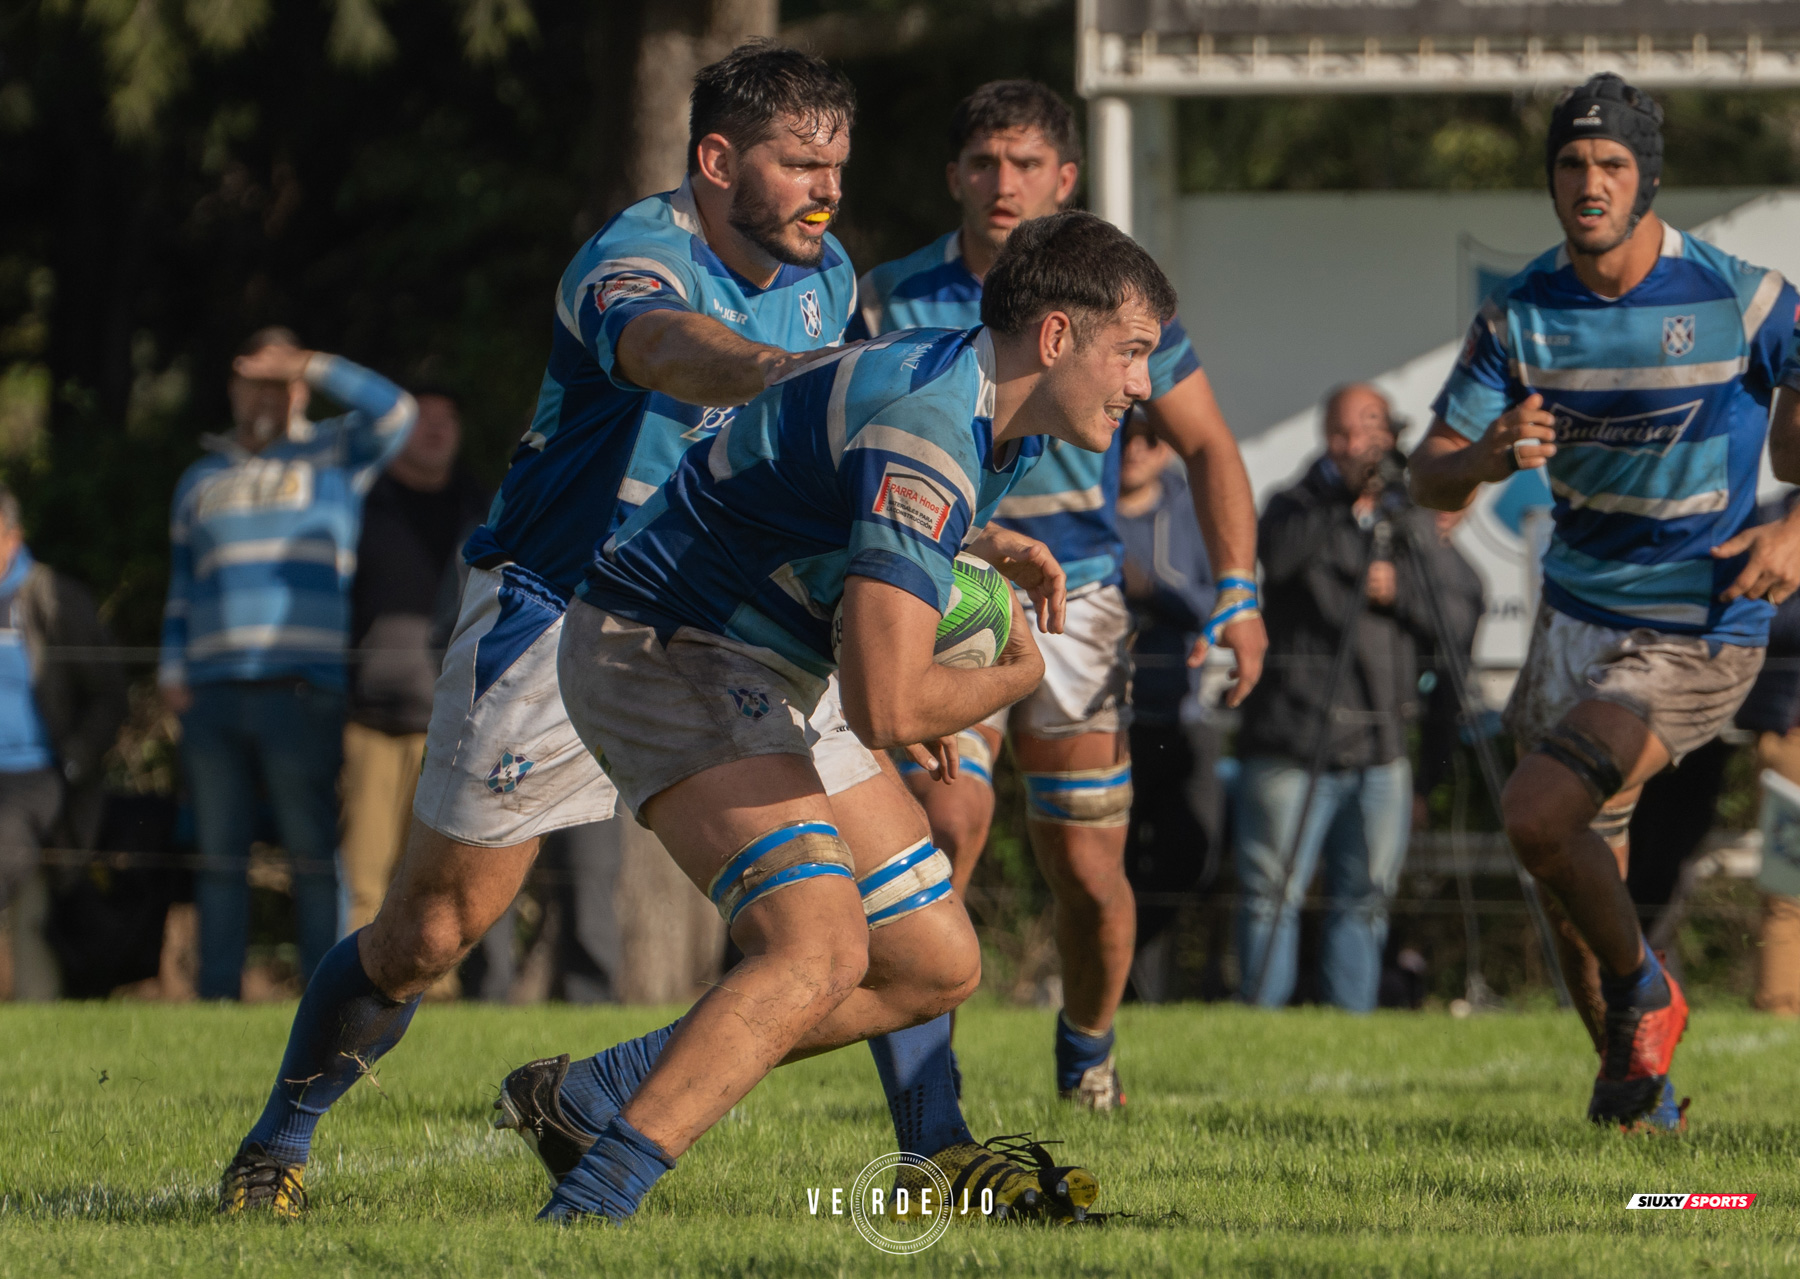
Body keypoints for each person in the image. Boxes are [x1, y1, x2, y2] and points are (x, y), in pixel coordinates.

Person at [218, 43, 1067, 1221]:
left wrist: (940, 567)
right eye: (798, 164)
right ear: (717, 160)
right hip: (563, 611)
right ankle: (276, 1141)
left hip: (744, 628)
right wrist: (788, 371)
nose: (826, 190)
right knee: (428, 931)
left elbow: (828, 464)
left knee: (910, 941)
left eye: (839, 164)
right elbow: (664, 348)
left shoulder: (827, 274)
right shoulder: (633, 257)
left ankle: (926, 1143)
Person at [525, 209, 1171, 1224]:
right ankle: (590, 1210)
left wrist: (981, 546)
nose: (1144, 383)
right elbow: (889, 703)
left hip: (758, 660)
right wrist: (1015, 673)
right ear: (1057, 338)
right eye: (1132, 353)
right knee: (817, 947)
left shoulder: (967, 389)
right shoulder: (938, 430)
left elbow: (842, 474)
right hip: (663, 648)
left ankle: (595, 1094)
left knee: (934, 962)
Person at [849, 79, 1266, 1110]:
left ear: (1066, 177)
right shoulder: (891, 295)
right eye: (985, 162)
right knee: (943, 826)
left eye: (1027, 163)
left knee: (1085, 874)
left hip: (1078, 602)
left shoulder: (1119, 301)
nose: (1004, 183)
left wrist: (1240, 592)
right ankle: (928, 1100)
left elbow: (1209, 443)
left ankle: (1087, 1051)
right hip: (941, 580)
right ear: (953, 175)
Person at [1408, 73, 1800, 1130]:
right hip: (1573, 620)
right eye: (1573, 164)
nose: (1591, 182)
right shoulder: (1523, 312)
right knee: (1570, 879)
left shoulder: (1736, 296)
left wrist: (1797, 526)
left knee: (1537, 810)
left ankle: (1648, 994)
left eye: (1613, 165)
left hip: (1696, 628)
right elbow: (1426, 473)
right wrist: (1486, 454)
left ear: (1650, 179)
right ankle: (1638, 1098)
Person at [159, 329, 416, 1002]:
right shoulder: (199, 478)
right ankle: (216, 998)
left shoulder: (334, 454)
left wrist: (312, 362)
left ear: (301, 389)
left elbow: (399, 413)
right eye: (256, 380)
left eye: (283, 381)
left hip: (303, 690)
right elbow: (182, 585)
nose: (269, 394)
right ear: (234, 389)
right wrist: (170, 670)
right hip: (211, 692)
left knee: (310, 853)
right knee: (219, 856)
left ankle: (321, 999)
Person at [1234, 384, 1456, 1012]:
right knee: (1271, 894)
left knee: (1366, 897)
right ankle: (1260, 1020)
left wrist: (1398, 590)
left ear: (1389, 434)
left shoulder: (1407, 517)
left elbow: (1449, 610)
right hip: (1293, 741)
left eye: (1368, 429)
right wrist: (1343, 496)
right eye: (1342, 431)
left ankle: (1350, 1023)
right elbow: (1277, 558)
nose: (1355, 443)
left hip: (1380, 749)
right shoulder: (1294, 504)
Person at [339, 386, 489, 934]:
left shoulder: (481, 512)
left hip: (453, 728)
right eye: (424, 417)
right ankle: (353, 1003)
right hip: (369, 721)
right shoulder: (361, 505)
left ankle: (436, 999)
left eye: (449, 417)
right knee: (364, 879)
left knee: (433, 882)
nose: (437, 427)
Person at [0, 484, 129, 998]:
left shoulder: (53, 598)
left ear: (13, 537)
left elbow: (109, 696)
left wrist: (74, 762)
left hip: (38, 772)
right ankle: (35, 1014)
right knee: (29, 898)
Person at [1113, 409, 1222, 1000]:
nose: (1135, 449)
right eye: (1124, 435)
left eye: (1150, 438)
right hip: (1108, 719)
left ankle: (1123, 955)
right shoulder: (1089, 505)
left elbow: (1215, 605)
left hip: (1182, 717)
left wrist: (1152, 592)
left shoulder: (1191, 510)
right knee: (1113, 867)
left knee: (1192, 860)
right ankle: (1125, 994)